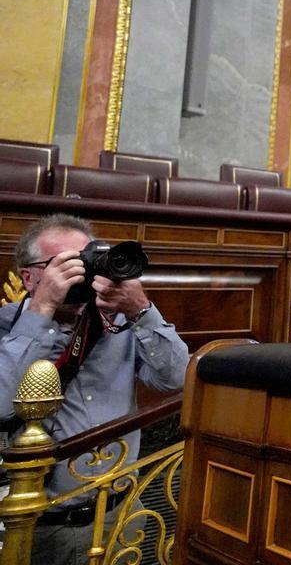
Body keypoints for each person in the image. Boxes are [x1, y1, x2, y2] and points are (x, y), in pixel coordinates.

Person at [0, 214, 189, 564]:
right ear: (29, 276)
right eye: (65, 264)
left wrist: (142, 311)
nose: (81, 273)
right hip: (38, 523)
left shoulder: (117, 324)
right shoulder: (7, 326)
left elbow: (178, 380)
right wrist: (42, 309)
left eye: (85, 261)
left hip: (122, 513)